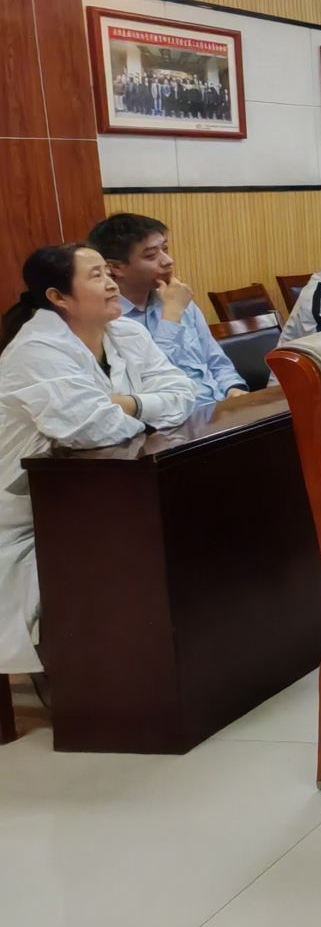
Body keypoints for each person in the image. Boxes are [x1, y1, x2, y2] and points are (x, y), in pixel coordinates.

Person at [1, 244, 199, 674]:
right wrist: (147, 409)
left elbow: (185, 394)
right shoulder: (36, 350)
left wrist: (128, 403)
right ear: (58, 297)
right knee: (138, 554)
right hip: (27, 516)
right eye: (95, 276)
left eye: (108, 273)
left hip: (91, 495)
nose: (111, 284)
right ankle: (99, 679)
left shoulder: (125, 332)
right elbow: (92, 428)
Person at [88, 213, 246, 402]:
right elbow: (152, 382)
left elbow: (216, 361)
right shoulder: (109, 321)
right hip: (176, 416)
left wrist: (233, 389)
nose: (168, 260)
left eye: (165, 249)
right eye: (151, 255)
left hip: (220, 405)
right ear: (116, 267)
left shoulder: (179, 300)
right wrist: (171, 316)